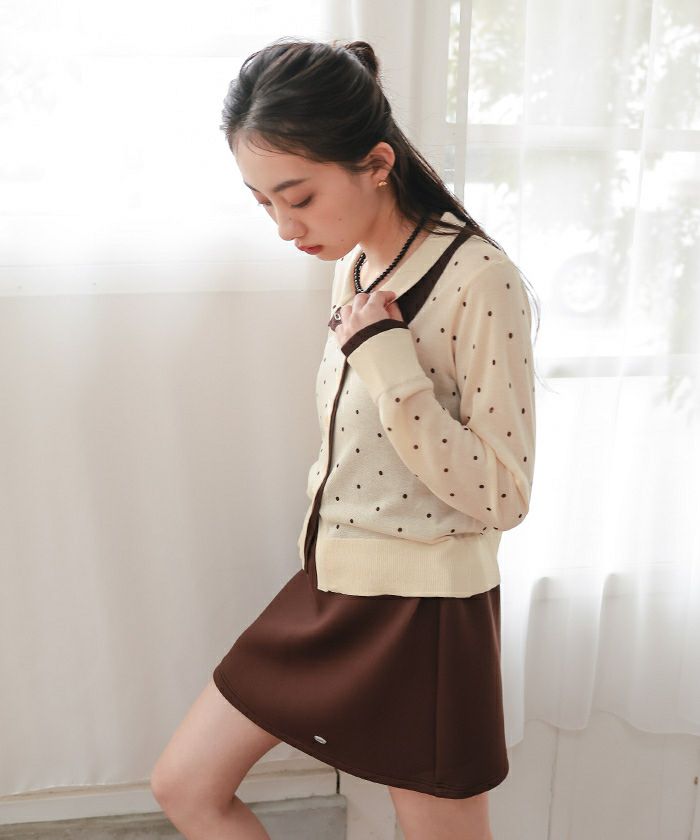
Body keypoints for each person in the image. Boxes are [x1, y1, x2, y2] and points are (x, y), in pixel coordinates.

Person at [150, 36, 541, 840]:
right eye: (264, 203)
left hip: (426, 614)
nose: (284, 226)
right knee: (186, 785)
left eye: (298, 197)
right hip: (332, 587)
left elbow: (503, 495)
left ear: (376, 163)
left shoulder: (478, 279)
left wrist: (391, 365)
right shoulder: (357, 263)